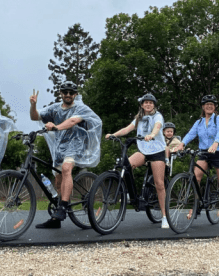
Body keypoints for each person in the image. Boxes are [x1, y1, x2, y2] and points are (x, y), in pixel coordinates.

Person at [30, 81, 101, 228]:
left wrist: (56, 127)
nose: (68, 95)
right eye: (65, 92)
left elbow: (73, 120)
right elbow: (35, 117)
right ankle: (56, 220)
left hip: (76, 144)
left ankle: (62, 207)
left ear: (75, 94)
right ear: (61, 93)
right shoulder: (55, 108)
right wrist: (33, 105)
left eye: (71, 92)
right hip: (60, 147)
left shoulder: (81, 108)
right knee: (58, 182)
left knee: (66, 168)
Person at [105, 93, 169, 228]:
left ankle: (164, 216)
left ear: (154, 105)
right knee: (126, 165)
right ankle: (128, 193)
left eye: (151, 103)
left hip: (157, 151)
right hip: (143, 150)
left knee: (159, 184)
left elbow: (157, 127)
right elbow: (127, 129)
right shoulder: (139, 118)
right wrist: (113, 135)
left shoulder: (158, 116)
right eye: (145, 102)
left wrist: (151, 135)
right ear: (141, 105)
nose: (148, 104)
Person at [173, 95, 219, 231]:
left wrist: (215, 143)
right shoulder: (199, 122)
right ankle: (194, 208)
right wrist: (182, 143)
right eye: (207, 104)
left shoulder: (218, 118)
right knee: (195, 178)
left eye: (212, 104)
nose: (209, 106)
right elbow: (191, 133)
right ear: (203, 107)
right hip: (204, 152)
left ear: (214, 107)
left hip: (218, 152)